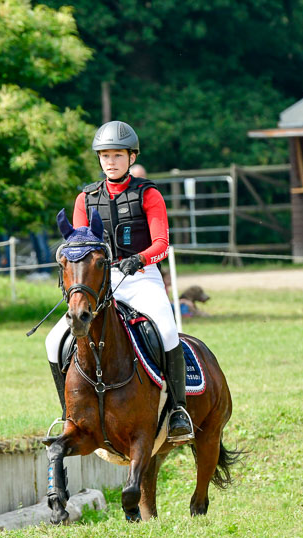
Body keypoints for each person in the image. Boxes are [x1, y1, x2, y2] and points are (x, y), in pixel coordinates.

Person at [45, 120, 194, 443]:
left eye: (117, 155)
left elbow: (161, 244)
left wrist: (139, 258)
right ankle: (67, 414)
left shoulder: (148, 194)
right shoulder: (85, 198)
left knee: (167, 331)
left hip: (141, 278)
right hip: (98, 283)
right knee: (52, 340)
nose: (110, 162)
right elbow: (80, 243)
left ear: (131, 157)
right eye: (105, 156)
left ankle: (178, 410)